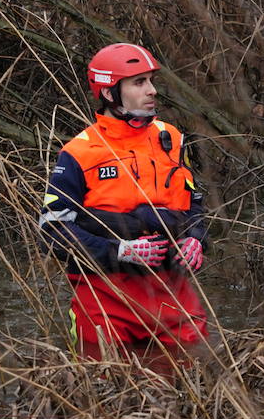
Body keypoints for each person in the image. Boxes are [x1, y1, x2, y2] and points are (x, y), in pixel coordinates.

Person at [39, 43, 209, 363]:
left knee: (193, 381)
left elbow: (193, 206)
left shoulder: (171, 138)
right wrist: (121, 251)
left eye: (151, 81)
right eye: (139, 82)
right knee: (106, 388)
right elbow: (52, 232)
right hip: (104, 297)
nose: (152, 91)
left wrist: (195, 240)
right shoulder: (79, 152)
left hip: (171, 294)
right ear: (108, 93)